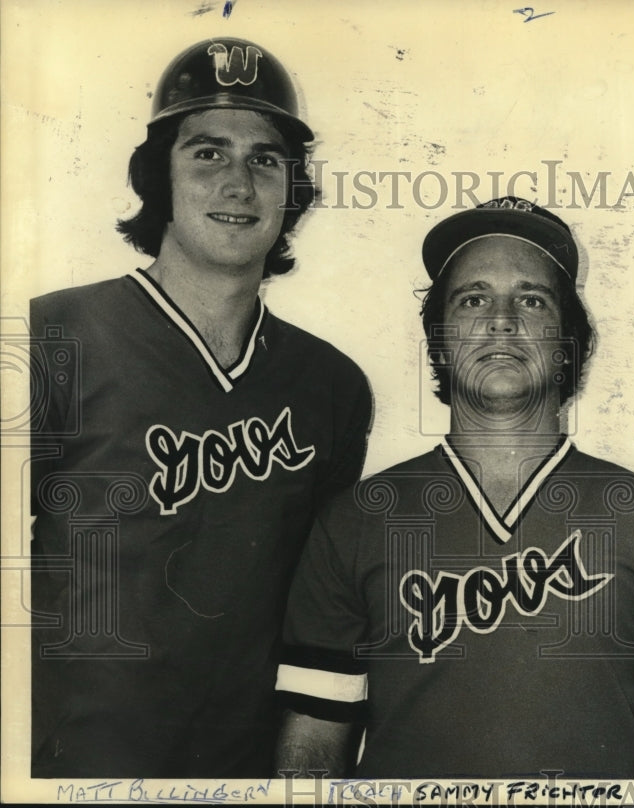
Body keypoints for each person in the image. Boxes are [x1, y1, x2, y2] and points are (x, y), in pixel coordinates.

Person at [273, 197, 634, 779]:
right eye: (473, 299)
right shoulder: (358, 519)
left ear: (568, 340)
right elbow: (313, 741)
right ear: (439, 341)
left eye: (531, 299)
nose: (501, 319)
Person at [30, 37, 373, 778]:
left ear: (293, 189)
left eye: (266, 159)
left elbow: (324, 619)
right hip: (66, 768)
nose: (239, 185)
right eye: (208, 154)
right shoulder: (50, 336)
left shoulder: (332, 385)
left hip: (244, 771)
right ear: (160, 177)